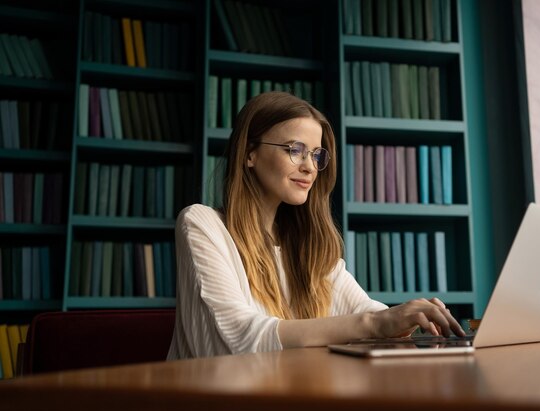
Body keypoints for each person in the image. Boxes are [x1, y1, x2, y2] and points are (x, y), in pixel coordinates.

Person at [167, 92, 465, 359]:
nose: (310, 167)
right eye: (294, 149)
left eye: (316, 154)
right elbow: (236, 338)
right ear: (249, 153)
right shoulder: (202, 224)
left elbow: (369, 313)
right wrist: (378, 323)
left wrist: (410, 317)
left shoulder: (311, 248)